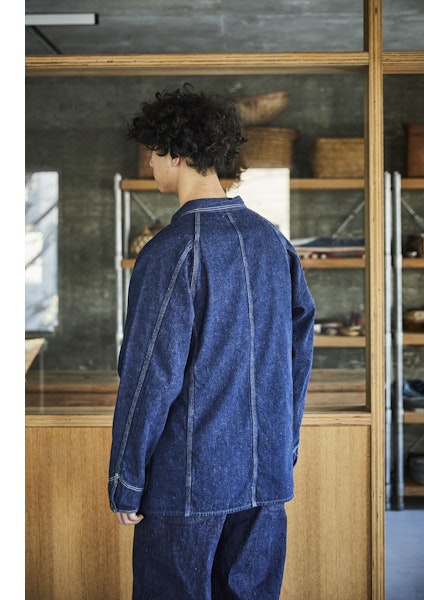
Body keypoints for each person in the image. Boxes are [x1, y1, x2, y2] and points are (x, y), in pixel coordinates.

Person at [108, 83, 315, 600]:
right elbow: (298, 356)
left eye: (154, 152)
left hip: (187, 484)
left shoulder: (170, 252)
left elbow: (149, 377)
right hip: (265, 480)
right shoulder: (274, 242)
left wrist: (126, 479)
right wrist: (283, 447)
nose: (151, 162)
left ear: (177, 154)